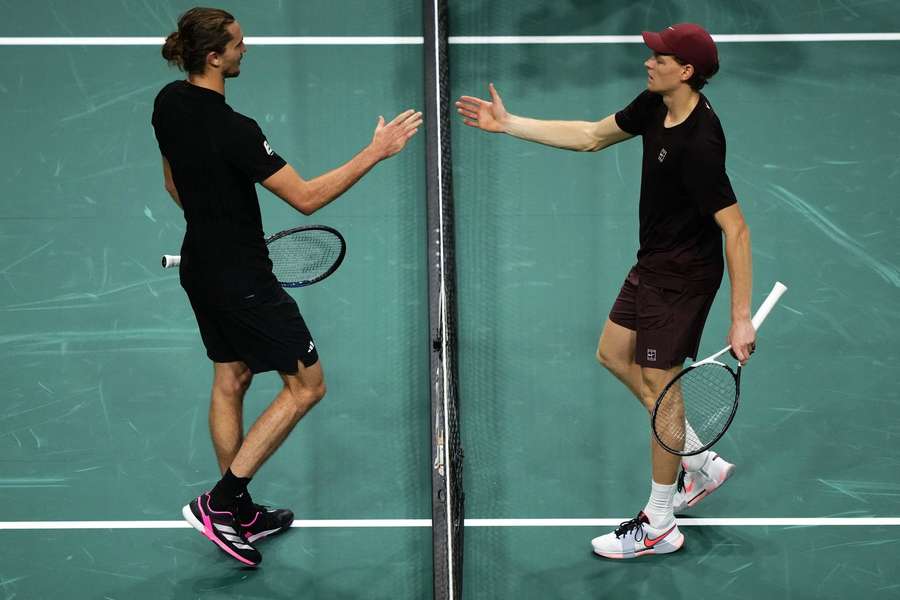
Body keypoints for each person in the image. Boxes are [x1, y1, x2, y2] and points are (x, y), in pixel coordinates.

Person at [456, 23, 754, 558]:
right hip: (654, 259)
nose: (648, 62)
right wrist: (509, 125)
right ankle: (699, 460)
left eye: (659, 57)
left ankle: (660, 523)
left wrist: (740, 316)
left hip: (683, 275)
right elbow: (593, 136)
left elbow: (736, 229)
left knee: (663, 388)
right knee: (614, 353)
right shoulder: (655, 106)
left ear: (685, 72)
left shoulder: (700, 144)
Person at [151, 7, 421, 566]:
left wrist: (214, 225)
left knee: (232, 376)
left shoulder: (168, 103)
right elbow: (307, 197)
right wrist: (377, 151)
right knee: (308, 387)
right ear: (214, 56)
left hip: (201, 264)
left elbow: (172, 177)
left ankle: (242, 509)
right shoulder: (236, 130)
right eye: (238, 44)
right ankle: (221, 504)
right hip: (243, 278)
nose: (245, 50)